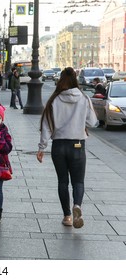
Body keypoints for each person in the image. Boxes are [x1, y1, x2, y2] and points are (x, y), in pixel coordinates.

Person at [36, 67, 98, 229]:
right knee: (78, 181)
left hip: (59, 146)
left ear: (61, 80)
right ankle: (77, 205)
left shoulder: (54, 100)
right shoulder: (84, 98)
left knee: (63, 182)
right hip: (77, 144)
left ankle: (67, 217)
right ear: (75, 80)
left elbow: (47, 126)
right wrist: (79, 123)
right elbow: (92, 122)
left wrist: (42, 148)